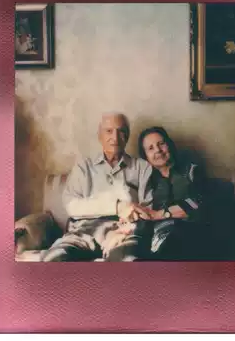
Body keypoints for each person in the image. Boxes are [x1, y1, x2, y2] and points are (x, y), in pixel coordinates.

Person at [41, 112, 153, 262]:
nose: (115, 137)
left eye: (121, 131)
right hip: (82, 232)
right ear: (100, 136)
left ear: (127, 136)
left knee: (127, 260)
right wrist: (117, 206)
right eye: (109, 131)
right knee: (55, 259)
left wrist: (130, 228)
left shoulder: (142, 167)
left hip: (125, 231)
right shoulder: (83, 167)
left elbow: (147, 210)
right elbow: (71, 205)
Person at [135, 126, 210, 260]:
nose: (158, 150)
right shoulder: (145, 181)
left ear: (169, 145)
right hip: (159, 240)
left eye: (161, 144)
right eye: (151, 148)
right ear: (145, 156)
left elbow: (197, 204)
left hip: (193, 233)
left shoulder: (191, 171)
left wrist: (159, 214)